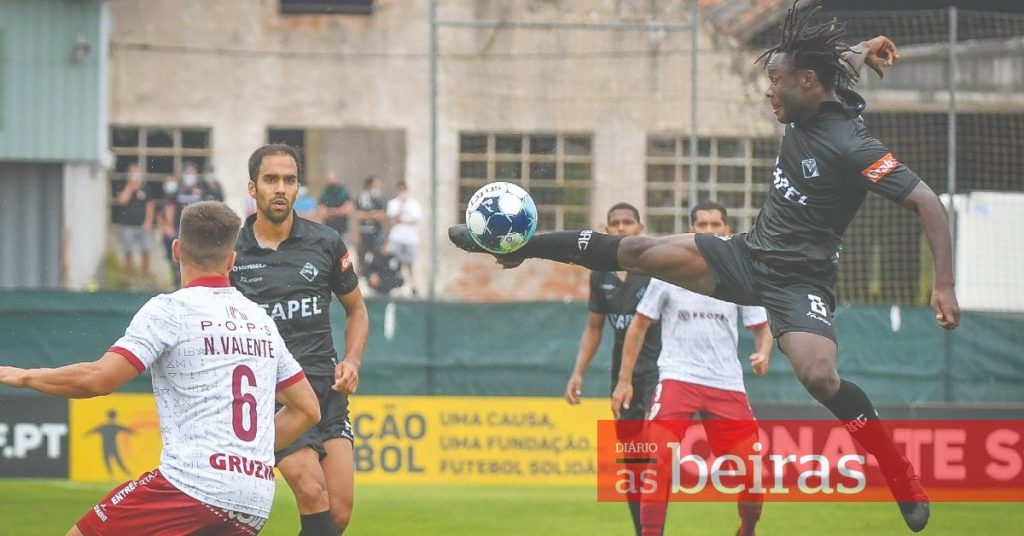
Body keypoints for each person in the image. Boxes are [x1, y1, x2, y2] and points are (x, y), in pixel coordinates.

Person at [450, 8, 955, 531]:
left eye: (775, 80)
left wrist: (943, 285)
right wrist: (867, 44)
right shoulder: (815, 88)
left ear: (806, 82)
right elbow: (837, 62)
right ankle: (522, 247)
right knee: (639, 250)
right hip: (747, 255)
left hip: (801, 282)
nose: (769, 91)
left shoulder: (854, 145)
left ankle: (895, 470)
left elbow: (927, 202)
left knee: (820, 376)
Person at [0, 201, 321, 535]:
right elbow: (308, 409)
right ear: (231, 260)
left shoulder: (171, 311)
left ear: (176, 250)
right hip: (254, 498)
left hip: (192, 485)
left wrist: (21, 376)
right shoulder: (261, 320)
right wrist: (244, 457)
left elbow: (98, 379)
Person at [232, 144, 370, 535]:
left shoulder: (326, 243)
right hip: (273, 395)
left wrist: (352, 361)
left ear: (298, 188)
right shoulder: (232, 252)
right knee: (311, 490)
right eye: (270, 179)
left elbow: (357, 310)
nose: (280, 188)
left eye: (289, 180)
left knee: (337, 515)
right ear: (253, 187)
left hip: (326, 391)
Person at [613, 201, 773, 536]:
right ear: (692, 230)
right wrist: (624, 380)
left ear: (727, 230)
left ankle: (747, 529)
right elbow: (638, 327)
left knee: (753, 473)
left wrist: (763, 352)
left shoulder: (741, 273)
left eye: (716, 225)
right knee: (659, 461)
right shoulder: (670, 270)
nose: (710, 231)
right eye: (703, 225)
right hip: (678, 377)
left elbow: (762, 328)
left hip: (726, 383)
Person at [563, 202, 661, 535]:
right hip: (624, 378)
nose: (621, 228)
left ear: (640, 229)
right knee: (633, 463)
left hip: (662, 371)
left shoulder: (656, 270)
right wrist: (578, 372)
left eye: (627, 222)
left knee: (657, 451)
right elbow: (594, 328)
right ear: (605, 230)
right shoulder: (601, 274)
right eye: (615, 223)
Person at [114, 163, 155, 284]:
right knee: (128, 251)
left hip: (143, 225)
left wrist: (148, 221)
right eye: (133, 172)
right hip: (128, 225)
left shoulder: (146, 188)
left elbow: (150, 205)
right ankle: (129, 278)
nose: (135, 174)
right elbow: (122, 200)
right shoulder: (123, 186)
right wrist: (130, 187)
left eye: (137, 172)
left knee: (146, 250)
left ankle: (145, 278)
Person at [162, 172, 204, 287]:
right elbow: (170, 208)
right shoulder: (177, 192)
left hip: (195, 230)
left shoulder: (199, 192)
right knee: (177, 258)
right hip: (179, 228)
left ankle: (192, 283)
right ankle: (177, 283)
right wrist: (169, 225)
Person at [385, 181, 422, 296]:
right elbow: (392, 219)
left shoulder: (414, 204)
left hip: (410, 239)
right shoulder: (393, 203)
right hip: (396, 238)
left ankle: (414, 286)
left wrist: (402, 220)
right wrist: (401, 208)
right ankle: (397, 286)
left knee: (410, 263)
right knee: (396, 264)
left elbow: (415, 219)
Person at [354, 175, 388, 274]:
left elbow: (383, 215)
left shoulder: (379, 198)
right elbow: (358, 215)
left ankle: (374, 277)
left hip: (376, 233)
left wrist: (368, 214)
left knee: (377, 258)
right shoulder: (361, 197)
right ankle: (360, 278)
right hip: (363, 233)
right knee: (360, 258)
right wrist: (373, 214)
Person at [319, 171, 354, 241]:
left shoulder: (344, 191)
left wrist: (332, 211)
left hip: (342, 230)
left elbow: (349, 210)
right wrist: (339, 211)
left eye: (333, 178)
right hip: (328, 230)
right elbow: (322, 212)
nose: (331, 181)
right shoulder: (325, 192)